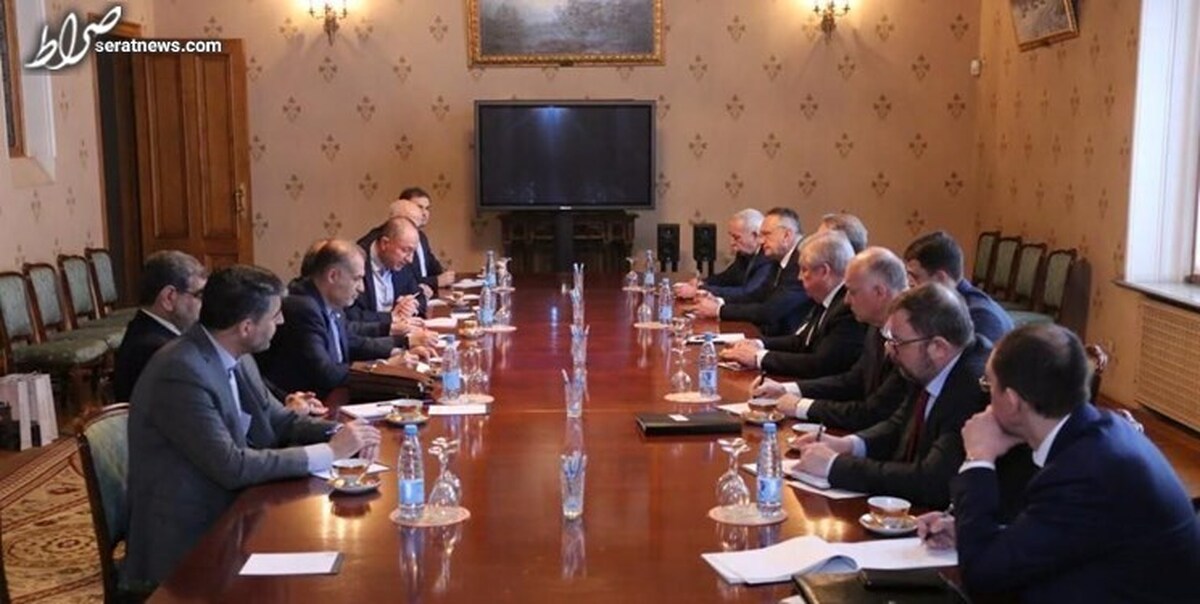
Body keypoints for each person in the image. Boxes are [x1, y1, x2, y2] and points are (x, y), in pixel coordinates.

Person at [126, 265, 381, 586]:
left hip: (238, 510)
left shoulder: (236, 353)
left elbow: (278, 419)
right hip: (190, 538)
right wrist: (330, 452)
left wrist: (341, 433)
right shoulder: (181, 371)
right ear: (246, 327)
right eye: (275, 315)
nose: (282, 322)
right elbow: (232, 466)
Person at [917, 324, 1200, 602]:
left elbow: (983, 577)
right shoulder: (1096, 431)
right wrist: (971, 533)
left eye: (988, 385)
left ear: (1013, 402)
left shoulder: (1083, 472)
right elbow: (1059, 531)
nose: (986, 397)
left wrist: (979, 457)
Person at [791, 283, 990, 508]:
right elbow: (900, 425)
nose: (889, 350)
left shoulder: (972, 389)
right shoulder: (929, 365)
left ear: (938, 347)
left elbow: (931, 482)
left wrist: (834, 466)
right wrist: (847, 445)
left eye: (897, 342)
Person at [759, 247, 910, 431]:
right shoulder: (875, 324)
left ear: (879, 292)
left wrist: (801, 406)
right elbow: (853, 380)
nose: (846, 300)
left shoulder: (909, 340)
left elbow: (872, 413)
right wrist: (787, 389)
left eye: (852, 292)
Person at [257, 239, 419, 398]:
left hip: (336, 395)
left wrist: (399, 349)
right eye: (357, 279)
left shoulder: (331, 301)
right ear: (333, 276)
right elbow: (326, 373)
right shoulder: (303, 307)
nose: (362, 288)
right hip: (310, 402)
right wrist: (382, 367)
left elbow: (351, 342)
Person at [720, 231, 864, 379]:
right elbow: (802, 341)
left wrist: (759, 357)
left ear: (824, 272)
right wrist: (758, 344)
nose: (799, 277)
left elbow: (820, 365)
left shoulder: (847, 308)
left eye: (804, 270)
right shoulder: (826, 298)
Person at [691, 207, 812, 336]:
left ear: (786, 235)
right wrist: (719, 302)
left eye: (766, 234)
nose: (761, 241)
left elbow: (769, 311)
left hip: (785, 341)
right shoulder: (778, 258)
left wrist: (719, 310)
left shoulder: (802, 262)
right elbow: (756, 295)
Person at [112, 250, 207, 402]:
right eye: (199, 296)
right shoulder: (157, 349)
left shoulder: (144, 328)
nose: (205, 305)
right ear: (169, 297)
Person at [904, 231, 1013, 343]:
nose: (910, 284)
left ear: (940, 278)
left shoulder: (980, 318)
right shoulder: (943, 305)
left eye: (915, 277)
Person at [361, 187, 456, 298]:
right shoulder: (370, 251)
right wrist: (434, 281)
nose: (424, 213)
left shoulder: (418, 239)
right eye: (420, 207)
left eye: (427, 208)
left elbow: (415, 289)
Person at [347, 216, 427, 330]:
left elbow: (419, 296)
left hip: (401, 333)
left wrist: (411, 306)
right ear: (385, 243)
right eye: (406, 250)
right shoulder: (356, 262)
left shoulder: (401, 263)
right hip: (369, 337)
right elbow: (351, 315)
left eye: (413, 252)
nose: (410, 259)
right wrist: (390, 317)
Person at [673, 208, 771, 300]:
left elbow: (747, 293)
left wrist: (700, 290)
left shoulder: (768, 257)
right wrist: (702, 282)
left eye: (736, 238)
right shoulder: (744, 253)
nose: (731, 243)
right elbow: (727, 277)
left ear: (755, 236)